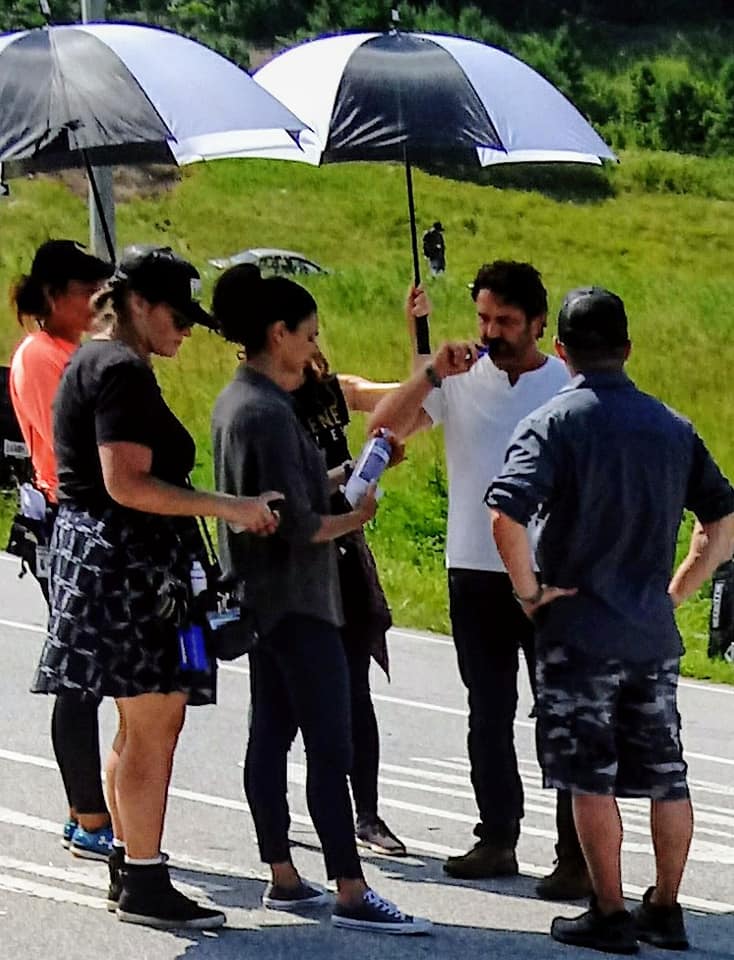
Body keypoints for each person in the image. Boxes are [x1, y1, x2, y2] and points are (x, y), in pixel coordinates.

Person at [30, 245, 280, 931]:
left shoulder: (93, 359)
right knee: (154, 723)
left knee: (136, 722)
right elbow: (127, 482)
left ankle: (128, 862)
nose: (187, 328)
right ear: (137, 304)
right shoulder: (120, 370)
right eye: (178, 314)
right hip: (128, 563)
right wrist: (231, 507)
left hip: (102, 555)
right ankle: (143, 877)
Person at [487, 286, 734, 954]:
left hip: (579, 631)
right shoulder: (673, 427)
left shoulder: (552, 423)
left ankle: (610, 910)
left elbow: (505, 515)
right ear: (627, 348)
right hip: (650, 630)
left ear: (561, 349)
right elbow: (721, 523)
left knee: (588, 775)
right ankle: (667, 906)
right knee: (666, 775)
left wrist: (530, 593)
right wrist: (675, 593)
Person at [211, 264, 431, 934]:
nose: (314, 346)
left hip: (262, 598)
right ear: (278, 333)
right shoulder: (268, 413)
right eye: (308, 335)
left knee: (271, 735)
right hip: (298, 598)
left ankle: (283, 874)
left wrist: (352, 471)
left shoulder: (240, 400)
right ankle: (352, 889)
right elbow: (300, 522)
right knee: (330, 744)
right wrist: (353, 516)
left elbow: (293, 491)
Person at [369, 261, 589, 898]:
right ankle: (497, 836)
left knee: (560, 712)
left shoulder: (565, 383)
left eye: (507, 321)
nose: (491, 332)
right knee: (487, 712)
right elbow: (385, 426)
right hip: (473, 567)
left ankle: (575, 852)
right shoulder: (461, 377)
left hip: (548, 571)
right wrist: (430, 370)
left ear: (539, 323)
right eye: (484, 318)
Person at [9, 239, 115, 860]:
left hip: (90, 515)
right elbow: (74, 439)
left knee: (95, 671)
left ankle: (91, 809)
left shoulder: (77, 351)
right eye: (87, 293)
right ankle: (87, 813)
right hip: (66, 518)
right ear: (53, 296)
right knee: (78, 672)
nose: (98, 303)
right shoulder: (42, 355)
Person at [292, 348, 405, 856]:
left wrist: (432, 364)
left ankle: (368, 814)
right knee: (284, 702)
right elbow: (291, 492)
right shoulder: (267, 406)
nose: (313, 351)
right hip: (299, 563)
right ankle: (276, 820)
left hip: (345, 551)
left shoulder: (331, 393)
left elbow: (390, 396)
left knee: (357, 691)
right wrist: (349, 472)